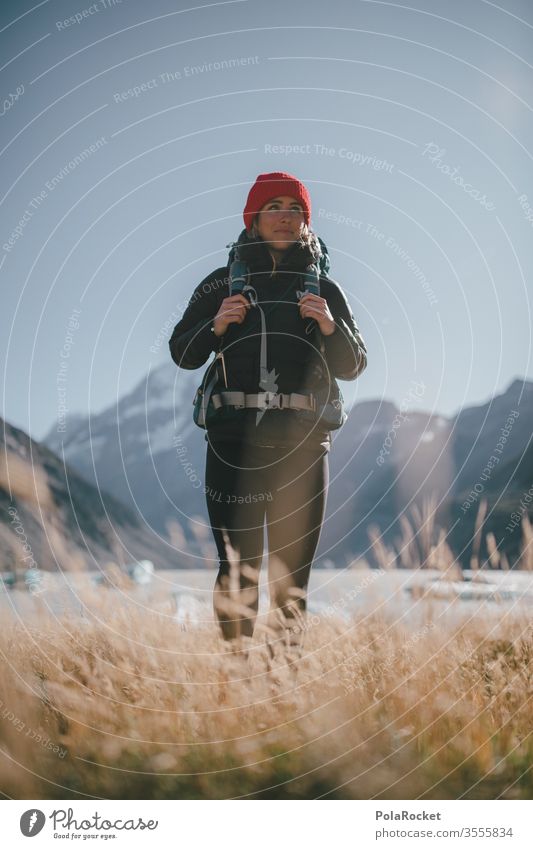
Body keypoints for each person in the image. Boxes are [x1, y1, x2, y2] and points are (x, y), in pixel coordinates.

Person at [169, 172, 367, 661]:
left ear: (305, 222)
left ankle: (283, 686)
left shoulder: (325, 287)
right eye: (273, 206)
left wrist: (328, 323)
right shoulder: (220, 283)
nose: (285, 215)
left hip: (303, 446)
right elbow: (181, 352)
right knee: (237, 569)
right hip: (232, 440)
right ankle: (236, 678)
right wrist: (216, 325)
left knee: (291, 573)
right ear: (253, 218)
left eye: (294, 209)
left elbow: (354, 364)